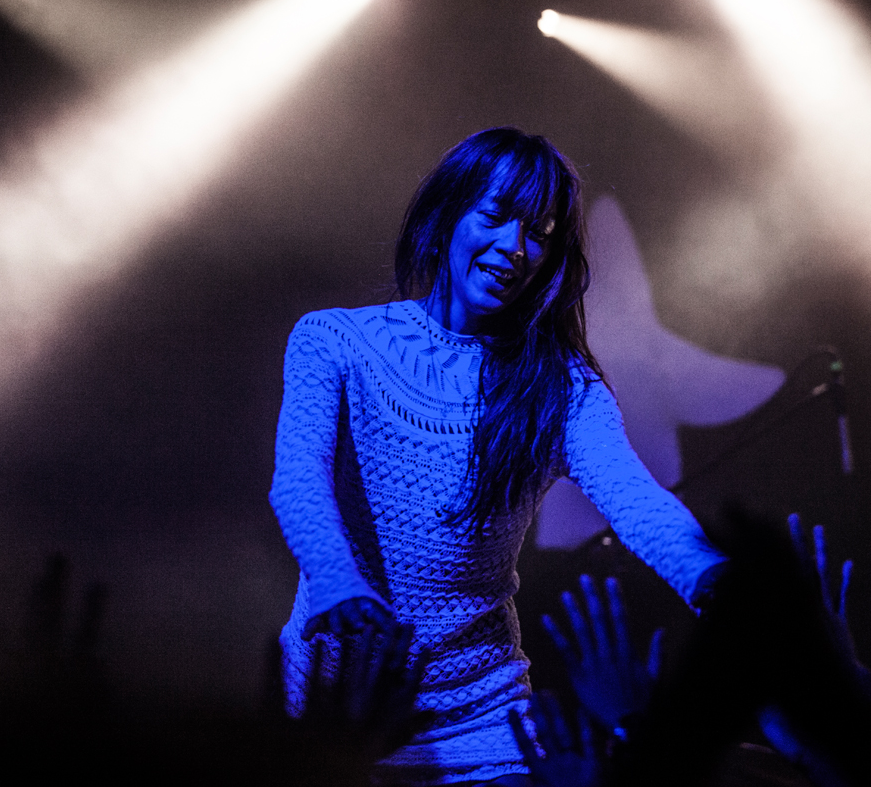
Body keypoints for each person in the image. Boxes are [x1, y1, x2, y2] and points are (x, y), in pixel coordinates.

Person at [268, 127, 727, 786]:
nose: (515, 248)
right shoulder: (333, 341)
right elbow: (298, 481)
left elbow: (637, 501)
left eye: (538, 233)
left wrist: (713, 576)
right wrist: (338, 582)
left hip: (484, 722)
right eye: (495, 216)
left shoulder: (564, 387)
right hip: (335, 713)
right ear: (447, 213)